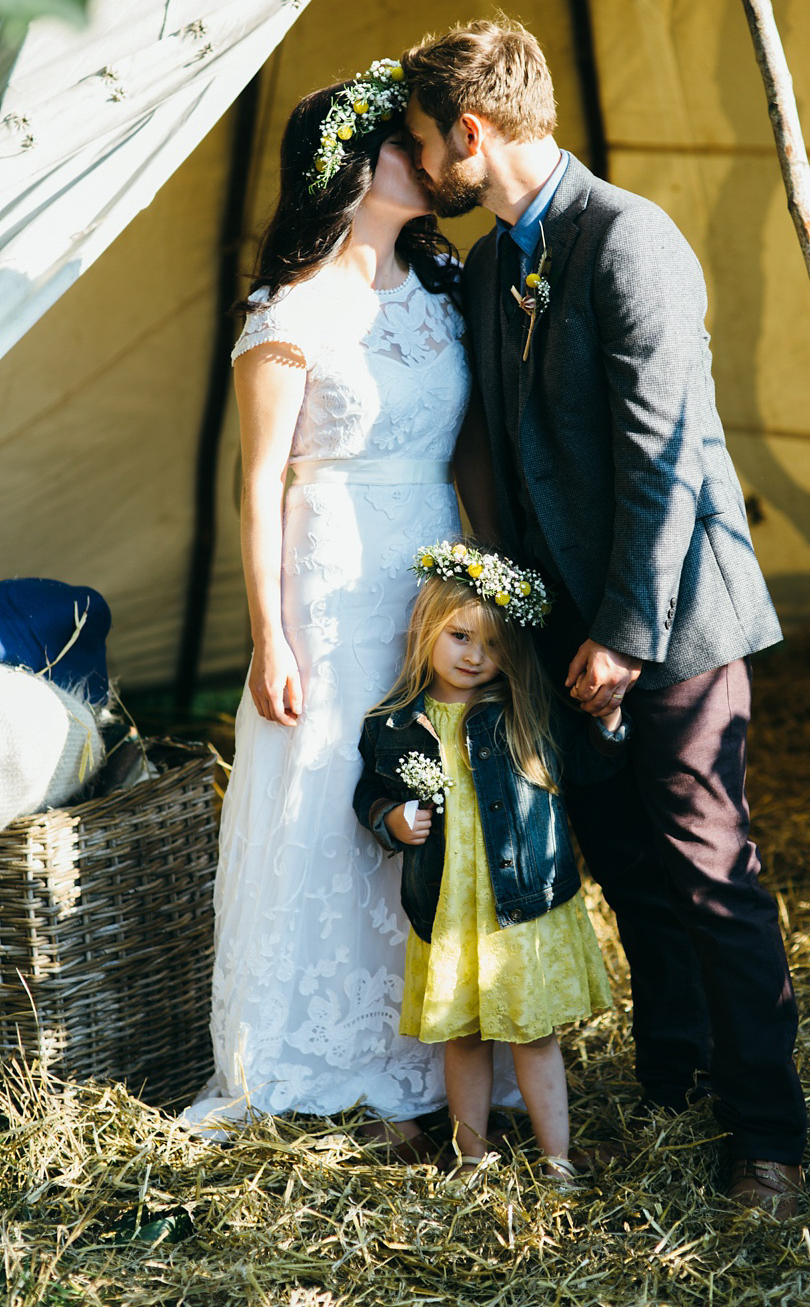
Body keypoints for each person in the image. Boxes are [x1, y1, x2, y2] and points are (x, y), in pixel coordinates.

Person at [399, 19, 808, 1215]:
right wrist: (523, 617)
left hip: (672, 619)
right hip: (559, 630)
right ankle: (676, 1066)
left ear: (472, 135)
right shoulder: (486, 268)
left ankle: (768, 1136)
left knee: (709, 866)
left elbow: (664, 463)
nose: (424, 170)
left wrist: (626, 636)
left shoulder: (633, 242)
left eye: (428, 146)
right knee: (623, 859)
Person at [189, 60, 518, 1149]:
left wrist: (490, 576)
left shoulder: (442, 291)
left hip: (431, 565)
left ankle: (438, 1049)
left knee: (437, 786)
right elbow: (257, 485)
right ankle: (317, 1055)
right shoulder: (289, 310)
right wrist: (269, 636)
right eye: (399, 144)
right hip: (329, 572)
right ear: (347, 168)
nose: (425, 159)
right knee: (336, 786)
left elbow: (469, 449)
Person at [354, 542, 625, 1185]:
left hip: (521, 908)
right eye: (460, 635)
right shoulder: (394, 724)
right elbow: (368, 789)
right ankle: (470, 1159)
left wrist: (610, 721)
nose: (476, 656)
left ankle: (556, 1159)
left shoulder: (526, 712)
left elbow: (584, 771)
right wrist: (389, 818)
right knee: (464, 1037)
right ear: (425, 628)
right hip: (449, 908)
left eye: (495, 645)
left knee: (533, 1036)